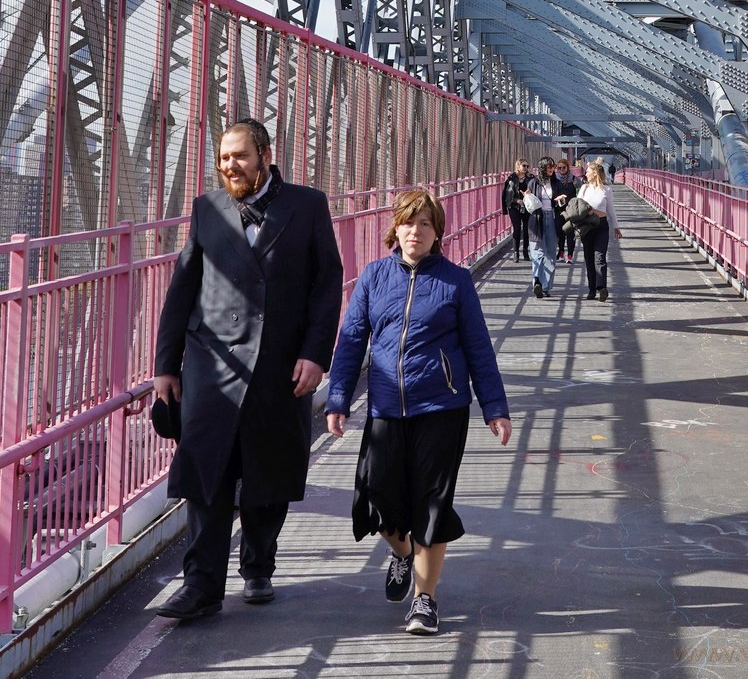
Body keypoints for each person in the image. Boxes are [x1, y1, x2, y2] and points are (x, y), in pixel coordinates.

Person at [152, 118, 343, 620]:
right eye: (222, 159)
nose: (228, 166)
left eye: (238, 156)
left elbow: (327, 285)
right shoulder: (207, 209)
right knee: (205, 475)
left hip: (279, 364)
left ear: (263, 153)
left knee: (268, 471)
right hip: (211, 366)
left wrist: (315, 354)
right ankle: (201, 587)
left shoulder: (307, 205)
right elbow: (182, 288)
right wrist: (165, 366)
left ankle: (258, 564)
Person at [325, 189, 512, 636]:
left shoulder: (455, 281)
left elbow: (479, 348)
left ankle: (424, 600)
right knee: (376, 496)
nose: (416, 231)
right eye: (409, 222)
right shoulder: (373, 278)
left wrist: (495, 407)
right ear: (395, 228)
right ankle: (403, 552)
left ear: (438, 232)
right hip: (387, 406)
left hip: (442, 407)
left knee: (431, 503)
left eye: (426, 223)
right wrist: (338, 398)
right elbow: (351, 341)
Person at [577, 158, 624, 302]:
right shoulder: (584, 189)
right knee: (589, 258)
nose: (585, 173)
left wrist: (616, 227)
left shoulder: (607, 190)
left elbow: (611, 210)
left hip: (602, 226)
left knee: (600, 257)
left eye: (588, 171)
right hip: (587, 226)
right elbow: (577, 207)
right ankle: (591, 289)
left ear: (595, 173)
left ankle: (601, 288)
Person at [526, 156, 561, 298]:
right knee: (537, 251)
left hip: (552, 218)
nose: (552, 169)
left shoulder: (556, 183)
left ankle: (546, 286)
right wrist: (527, 197)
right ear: (543, 168)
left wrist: (560, 200)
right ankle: (537, 282)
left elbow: (561, 202)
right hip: (536, 219)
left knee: (551, 253)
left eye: (553, 167)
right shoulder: (533, 183)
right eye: (549, 167)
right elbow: (527, 204)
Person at [501, 158, 534, 262]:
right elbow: (506, 195)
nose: (526, 168)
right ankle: (516, 253)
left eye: (527, 166)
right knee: (516, 229)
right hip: (514, 207)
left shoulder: (531, 178)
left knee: (526, 229)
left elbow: (537, 190)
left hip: (527, 206)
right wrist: (516, 200)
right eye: (524, 166)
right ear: (518, 166)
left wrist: (530, 193)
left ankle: (525, 251)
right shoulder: (511, 178)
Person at [553, 158, 581, 263]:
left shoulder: (574, 179)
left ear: (567, 168)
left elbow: (581, 192)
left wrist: (576, 188)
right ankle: (560, 252)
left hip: (571, 210)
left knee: (570, 233)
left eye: (563, 167)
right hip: (559, 209)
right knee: (559, 232)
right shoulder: (554, 179)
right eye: (559, 168)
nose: (561, 169)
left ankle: (569, 255)